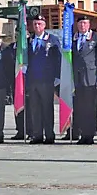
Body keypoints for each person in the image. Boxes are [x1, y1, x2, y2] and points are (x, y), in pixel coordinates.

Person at [26, 14, 61, 144]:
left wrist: (57, 76)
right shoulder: (29, 40)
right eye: (35, 24)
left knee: (47, 108)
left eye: (39, 24)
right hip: (33, 80)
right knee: (34, 109)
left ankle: (49, 135)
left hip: (47, 80)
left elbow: (58, 58)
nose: (37, 26)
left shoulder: (52, 39)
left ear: (44, 25)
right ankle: (37, 135)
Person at [70, 16, 97, 145]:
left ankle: (90, 134)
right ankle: (81, 133)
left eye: (85, 23)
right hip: (77, 78)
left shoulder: (95, 37)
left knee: (90, 107)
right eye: (80, 23)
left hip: (91, 77)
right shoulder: (74, 38)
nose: (82, 26)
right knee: (79, 107)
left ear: (89, 24)